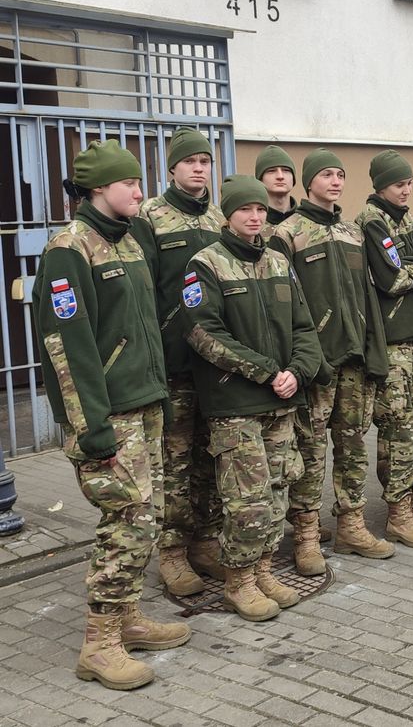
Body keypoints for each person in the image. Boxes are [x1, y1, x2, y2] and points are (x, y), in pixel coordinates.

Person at [33, 140, 190, 690]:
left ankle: (127, 618)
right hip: (109, 415)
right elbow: (67, 346)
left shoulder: (123, 245)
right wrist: (90, 425)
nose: (140, 192)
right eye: (130, 183)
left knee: (147, 518)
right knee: (127, 521)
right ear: (99, 188)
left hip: (143, 405)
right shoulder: (70, 250)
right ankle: (98, 645)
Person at [183, 176, 322, 621]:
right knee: (247, 500)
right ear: (228, 214)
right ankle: (238, 581)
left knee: (279, 489)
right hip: (236, 404)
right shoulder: (206, 264)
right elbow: (204, 334)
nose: (255, 216)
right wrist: (266, 372)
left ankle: (263, 570)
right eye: (245, 209)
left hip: (282, 399)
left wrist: (298, 372)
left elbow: (305, 327)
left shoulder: (280, 262)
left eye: (260, 210)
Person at [271, 149, 392, 573]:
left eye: (341, 174)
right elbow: (282, 309)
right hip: (316, 365)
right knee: (310, 451)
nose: (336, 181)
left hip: (355, 360)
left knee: (354, 445)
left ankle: (352, 524)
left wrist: (374, 351)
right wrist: (301, 362)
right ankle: (306, 535)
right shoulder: (288, 234)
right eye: (326, 174)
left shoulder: (351, 232)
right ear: (309, 182)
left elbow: (368, 296)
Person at [132, 127, 225, 596]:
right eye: (190, 161)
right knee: (175, 459)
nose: (198, 168)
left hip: (216, 361)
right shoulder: (151, 215)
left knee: (211, 456)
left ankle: (206, 542)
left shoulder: (217, 215)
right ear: (172, 168)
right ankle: (171, 552)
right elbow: (143, 288)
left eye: (205, 161)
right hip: (173, 362)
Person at [356, 151, 413, 549]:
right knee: (400, 432)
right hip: (392, 348)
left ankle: (409, 504)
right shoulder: (371, 221)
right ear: (380, 186)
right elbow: (391, 280)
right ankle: (396, 514)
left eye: (409, 183)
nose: (406, 190)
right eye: (398, 185)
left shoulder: (405, 218)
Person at [256, 144, 297, 237]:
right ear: (260, 179)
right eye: (271, 171)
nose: (280, 176)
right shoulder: (253, 225)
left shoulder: (307, 223)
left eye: (286, 170)